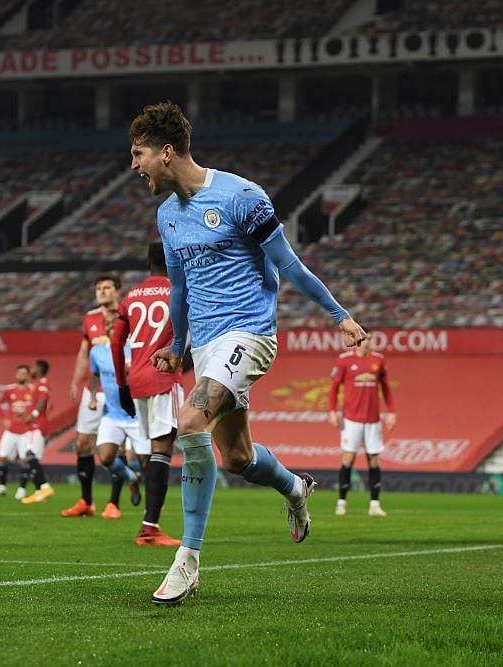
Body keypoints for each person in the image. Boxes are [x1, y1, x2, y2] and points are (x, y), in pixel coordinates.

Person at [129, 102, 367, 605]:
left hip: (250, 334)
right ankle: (295, 489)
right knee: (235, 458)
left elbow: (291, 266)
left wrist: (339, 315)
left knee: (190, 421)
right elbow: (179, 289)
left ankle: (187, 561)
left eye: (139, 153)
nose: (135, 165)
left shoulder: (241, 196)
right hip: (208, 344)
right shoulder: (166, 215)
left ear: (166, 152)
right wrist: (176, 346)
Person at [112, 241, 183, 547]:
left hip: (137, 379)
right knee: (163, 449)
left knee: (156, 449)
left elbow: (116, 343)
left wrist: (121, 385)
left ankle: (151, 520)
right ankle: (150, 526)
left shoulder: (130, 297)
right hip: (164, 378)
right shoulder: (178, 290)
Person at [61, 275, 122, 518]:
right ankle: (86, 501)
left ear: (118, 291)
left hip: (119, 390)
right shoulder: (90, 318)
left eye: (107, 288)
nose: (102, 292)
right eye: (98, 288)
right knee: (83, 444)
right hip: (94, 390)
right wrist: (76, 381)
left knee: (117, 447)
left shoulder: (128, 314)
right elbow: (84, 351)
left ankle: (113, 503)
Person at [327, 333, 395, 517]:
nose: (367, 342)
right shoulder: (344, 360)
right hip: (352, 419)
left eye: (370, 339)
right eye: (364, 339)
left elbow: (386, 388)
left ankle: (374, 504)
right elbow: (334, 387)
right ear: (357, 341)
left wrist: (391, 412)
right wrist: (332, 411)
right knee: (348, 459)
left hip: (373, 420)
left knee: (374, 460)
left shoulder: (379, 360)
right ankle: (341, 503)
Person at [88, 310, 145, 520]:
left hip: (137, 413)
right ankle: (131, 478)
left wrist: (135, 371)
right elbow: (94, 375)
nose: (113, 325)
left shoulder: (136, 348)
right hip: (112, 414)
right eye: (109, 323)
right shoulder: (96, 352)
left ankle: (153, 510)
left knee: (146, 460)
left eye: (117, 322)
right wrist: (93, 397)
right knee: (105, 457)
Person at [19, 358, 55, 503]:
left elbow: (42, 402)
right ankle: (39, 492)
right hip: (34, 425)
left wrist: (32, 415)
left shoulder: (43, 383)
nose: (31, 370)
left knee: (29, 454)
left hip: (36, 425)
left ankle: (45, 486)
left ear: (39, 369)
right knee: (31, 458)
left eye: (33, 367)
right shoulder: (37, 384)